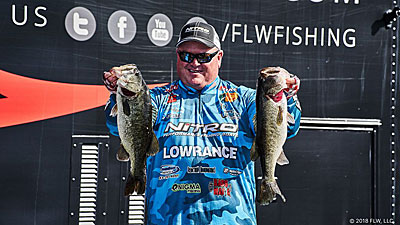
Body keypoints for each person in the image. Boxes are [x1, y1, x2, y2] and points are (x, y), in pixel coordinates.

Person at [103, 21, 301, 225]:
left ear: (219, 58)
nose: (194, 63)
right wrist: (118, 95)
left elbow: (288, 128)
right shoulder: (157, 98)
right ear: (177, 56)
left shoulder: (245, 99)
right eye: (186, 55)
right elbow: (115, 125)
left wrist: (288, 94)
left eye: (204, 56)